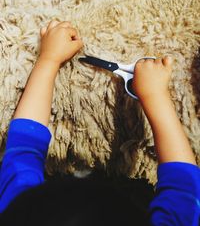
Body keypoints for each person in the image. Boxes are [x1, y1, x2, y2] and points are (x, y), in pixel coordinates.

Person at [0, 20, 199, 226]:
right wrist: (155, 95)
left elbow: (24, 148)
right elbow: (184, 186)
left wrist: (48, 59)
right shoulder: (20, 210)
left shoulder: (21, 212)